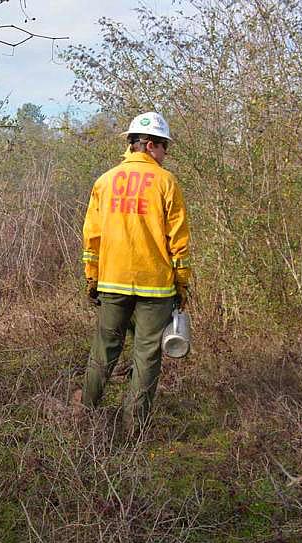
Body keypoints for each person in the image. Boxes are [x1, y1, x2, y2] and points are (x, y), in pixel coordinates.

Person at [76, 111, 192, 434]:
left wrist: (92, 278)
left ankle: (84, 415)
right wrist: (182, 285)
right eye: (165, 147)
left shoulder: (104, 182)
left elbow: (92, 239)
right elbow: (178, 242)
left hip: (111, 282)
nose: (165, 154)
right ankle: (133, 432)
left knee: (104, 349)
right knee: (146, 357)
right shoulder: (167, 183)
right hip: (155, 289)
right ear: (151, 145)